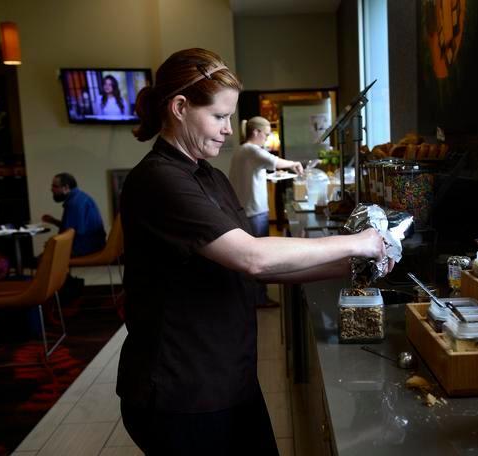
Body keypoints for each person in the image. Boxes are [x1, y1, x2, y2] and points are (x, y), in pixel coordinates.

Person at [117, 47, 393, 454]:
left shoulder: (208, 176)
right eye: (219, 116)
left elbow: (259, 270)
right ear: (179, 107)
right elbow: (253, 255)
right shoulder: (158, 180)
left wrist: (351, 265)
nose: (229, 129)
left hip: (229, 378)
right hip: (181, 390)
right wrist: (362, 241)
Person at [229, 116, 303, 306]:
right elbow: (276, 161)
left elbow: (258, 172)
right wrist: (294, 163)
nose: (267, 139)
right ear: (256, 132)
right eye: (266, 134)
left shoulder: (243, 151)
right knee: (258, 259)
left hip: (246, 208)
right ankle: (259, 299)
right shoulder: (251, 150)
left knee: (251, 257)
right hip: (254, 211)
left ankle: (253, 297)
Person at [41, 172, 106, 257]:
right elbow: (72, 228)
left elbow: (72, 234)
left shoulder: (74, 203)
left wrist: (53, 242)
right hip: (93, 244)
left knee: (43, 259)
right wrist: (54, 221)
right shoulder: (79, 197)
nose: (52, 189)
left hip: (87, 247)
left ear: (66, 188)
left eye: (55, 186)